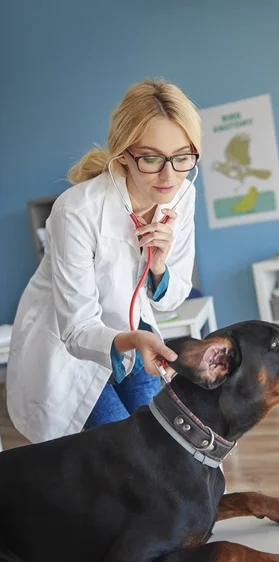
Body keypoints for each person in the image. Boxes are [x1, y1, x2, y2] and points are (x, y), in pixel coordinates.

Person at [6, 79, 201, 444]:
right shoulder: (77, 210)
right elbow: (77, 330)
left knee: (164, 446)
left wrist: (158, 266)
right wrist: (132, 338)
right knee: (124, 456)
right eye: (151, 158)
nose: (169, 175)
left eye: (182, 157)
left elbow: (174, 297)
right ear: (124, 154)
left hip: (136, 332)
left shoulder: (183, 194)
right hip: (69, 352)